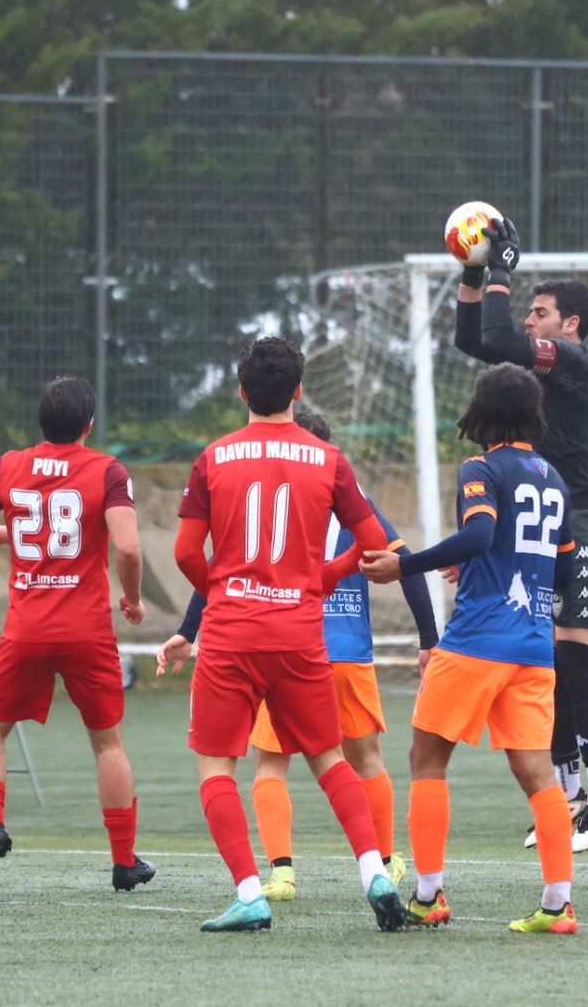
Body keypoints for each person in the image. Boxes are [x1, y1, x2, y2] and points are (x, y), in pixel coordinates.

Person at [159, 336, 407, 933]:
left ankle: (250, 891)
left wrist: (223, 592)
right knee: (330, 759)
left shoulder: (214, 457)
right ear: (298, 390)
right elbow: (375, 545)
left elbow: (186, 552)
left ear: (242, 391)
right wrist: (322, 578)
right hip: (300, 633)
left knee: (217, 765)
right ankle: (374, 870)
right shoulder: (329, 460)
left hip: (231, 633)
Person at [362, 362, 579, 935]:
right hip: (534, 647)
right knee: (538, 774)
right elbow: (562, 561)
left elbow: (482, 532)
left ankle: (429, 896)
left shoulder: (481, 466)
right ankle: (558, 906)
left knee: (426, 761)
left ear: (482, 414)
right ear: (533, 414)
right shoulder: (553, 478)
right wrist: (493, 565)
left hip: (478, 640)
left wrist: (403, 565)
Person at [453, 217, 588, 852]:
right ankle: (568, 792)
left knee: (571, 653)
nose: (529, 321)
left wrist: (502, 264)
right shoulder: (546, 361)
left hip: (581, 520)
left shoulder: (576, 361)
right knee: (543, 661)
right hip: (543, 523)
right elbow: (478, 338)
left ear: (569, 325)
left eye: (540, 311)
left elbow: (495, 334)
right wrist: (475, 273)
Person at [0, 376, 152, 892]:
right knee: (107, 742)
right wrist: (132, 598)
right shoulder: (107, 469)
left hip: (26, 628)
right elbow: (127, 548)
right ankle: (123, 862)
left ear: (41, 420)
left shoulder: (8, 465)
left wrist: (18, 530)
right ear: (88, 425)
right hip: (86, 630)